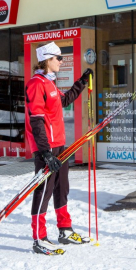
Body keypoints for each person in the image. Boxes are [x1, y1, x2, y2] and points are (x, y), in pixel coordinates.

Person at [25, 41, 93, 255]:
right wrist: (44, 152)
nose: (62, 61)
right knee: (43, 191)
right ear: (47, 60)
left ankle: (64, 229)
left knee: (61, 188)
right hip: (46, 148)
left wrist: (81, 82)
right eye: (58, 58)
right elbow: (35, 120)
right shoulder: (36, 84)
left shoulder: (50, 82)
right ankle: (39, 238)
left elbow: (64, 100)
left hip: (60, 145)